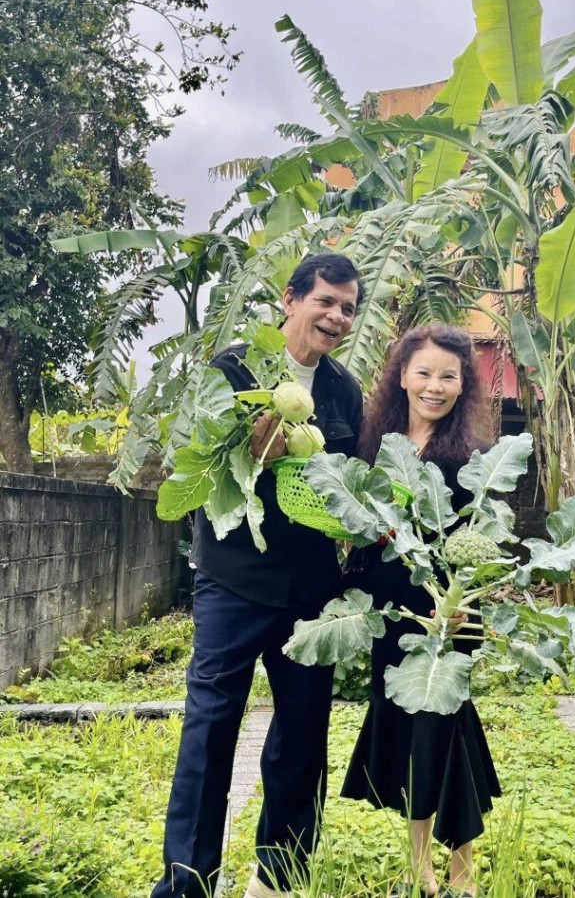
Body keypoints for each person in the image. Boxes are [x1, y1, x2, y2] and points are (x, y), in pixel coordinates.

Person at [151, 253, 364, 898]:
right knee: (210, 727)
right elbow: (195, 456)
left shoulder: (343, 391)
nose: (337, 317)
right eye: (325, 301)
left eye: (348, 308)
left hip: (311, 587)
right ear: (290, 300)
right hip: (233, 579)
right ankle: (187, 883)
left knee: (303, 731)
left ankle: (279, 877)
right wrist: (248, 448)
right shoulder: (234, 369)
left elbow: (345, 484)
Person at [342, 325, 501, 898]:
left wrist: (464, 605)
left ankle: (462, 871)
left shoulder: (470, 457)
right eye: (424, 373)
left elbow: (483, 542)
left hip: (447, 617)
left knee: (445, 734)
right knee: (410, 734)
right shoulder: (375, 447)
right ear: (403, 377)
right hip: (394, 616)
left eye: (448, 377)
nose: (435, 386)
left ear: (463, 385)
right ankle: (419, 868)